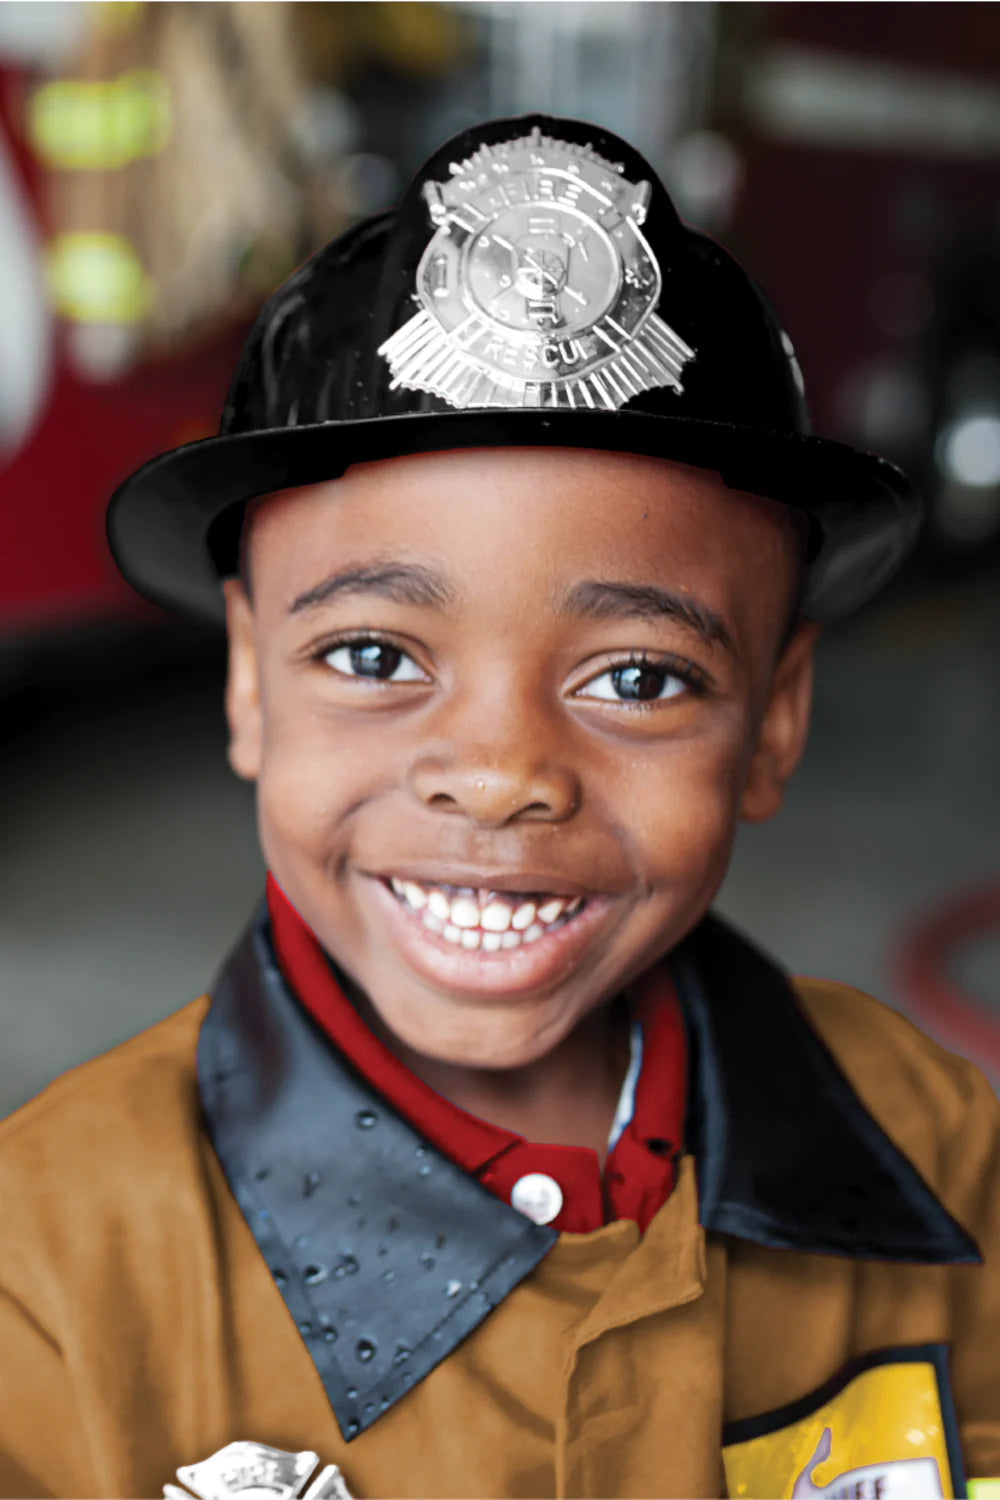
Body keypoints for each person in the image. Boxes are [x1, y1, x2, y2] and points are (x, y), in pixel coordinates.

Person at [1, 113, 998, 1500]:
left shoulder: (933, 1147)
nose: (500, 771)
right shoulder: (46, 1267)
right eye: (372, 658)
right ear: (246, 681)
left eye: (639, 677)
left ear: (773, 718)